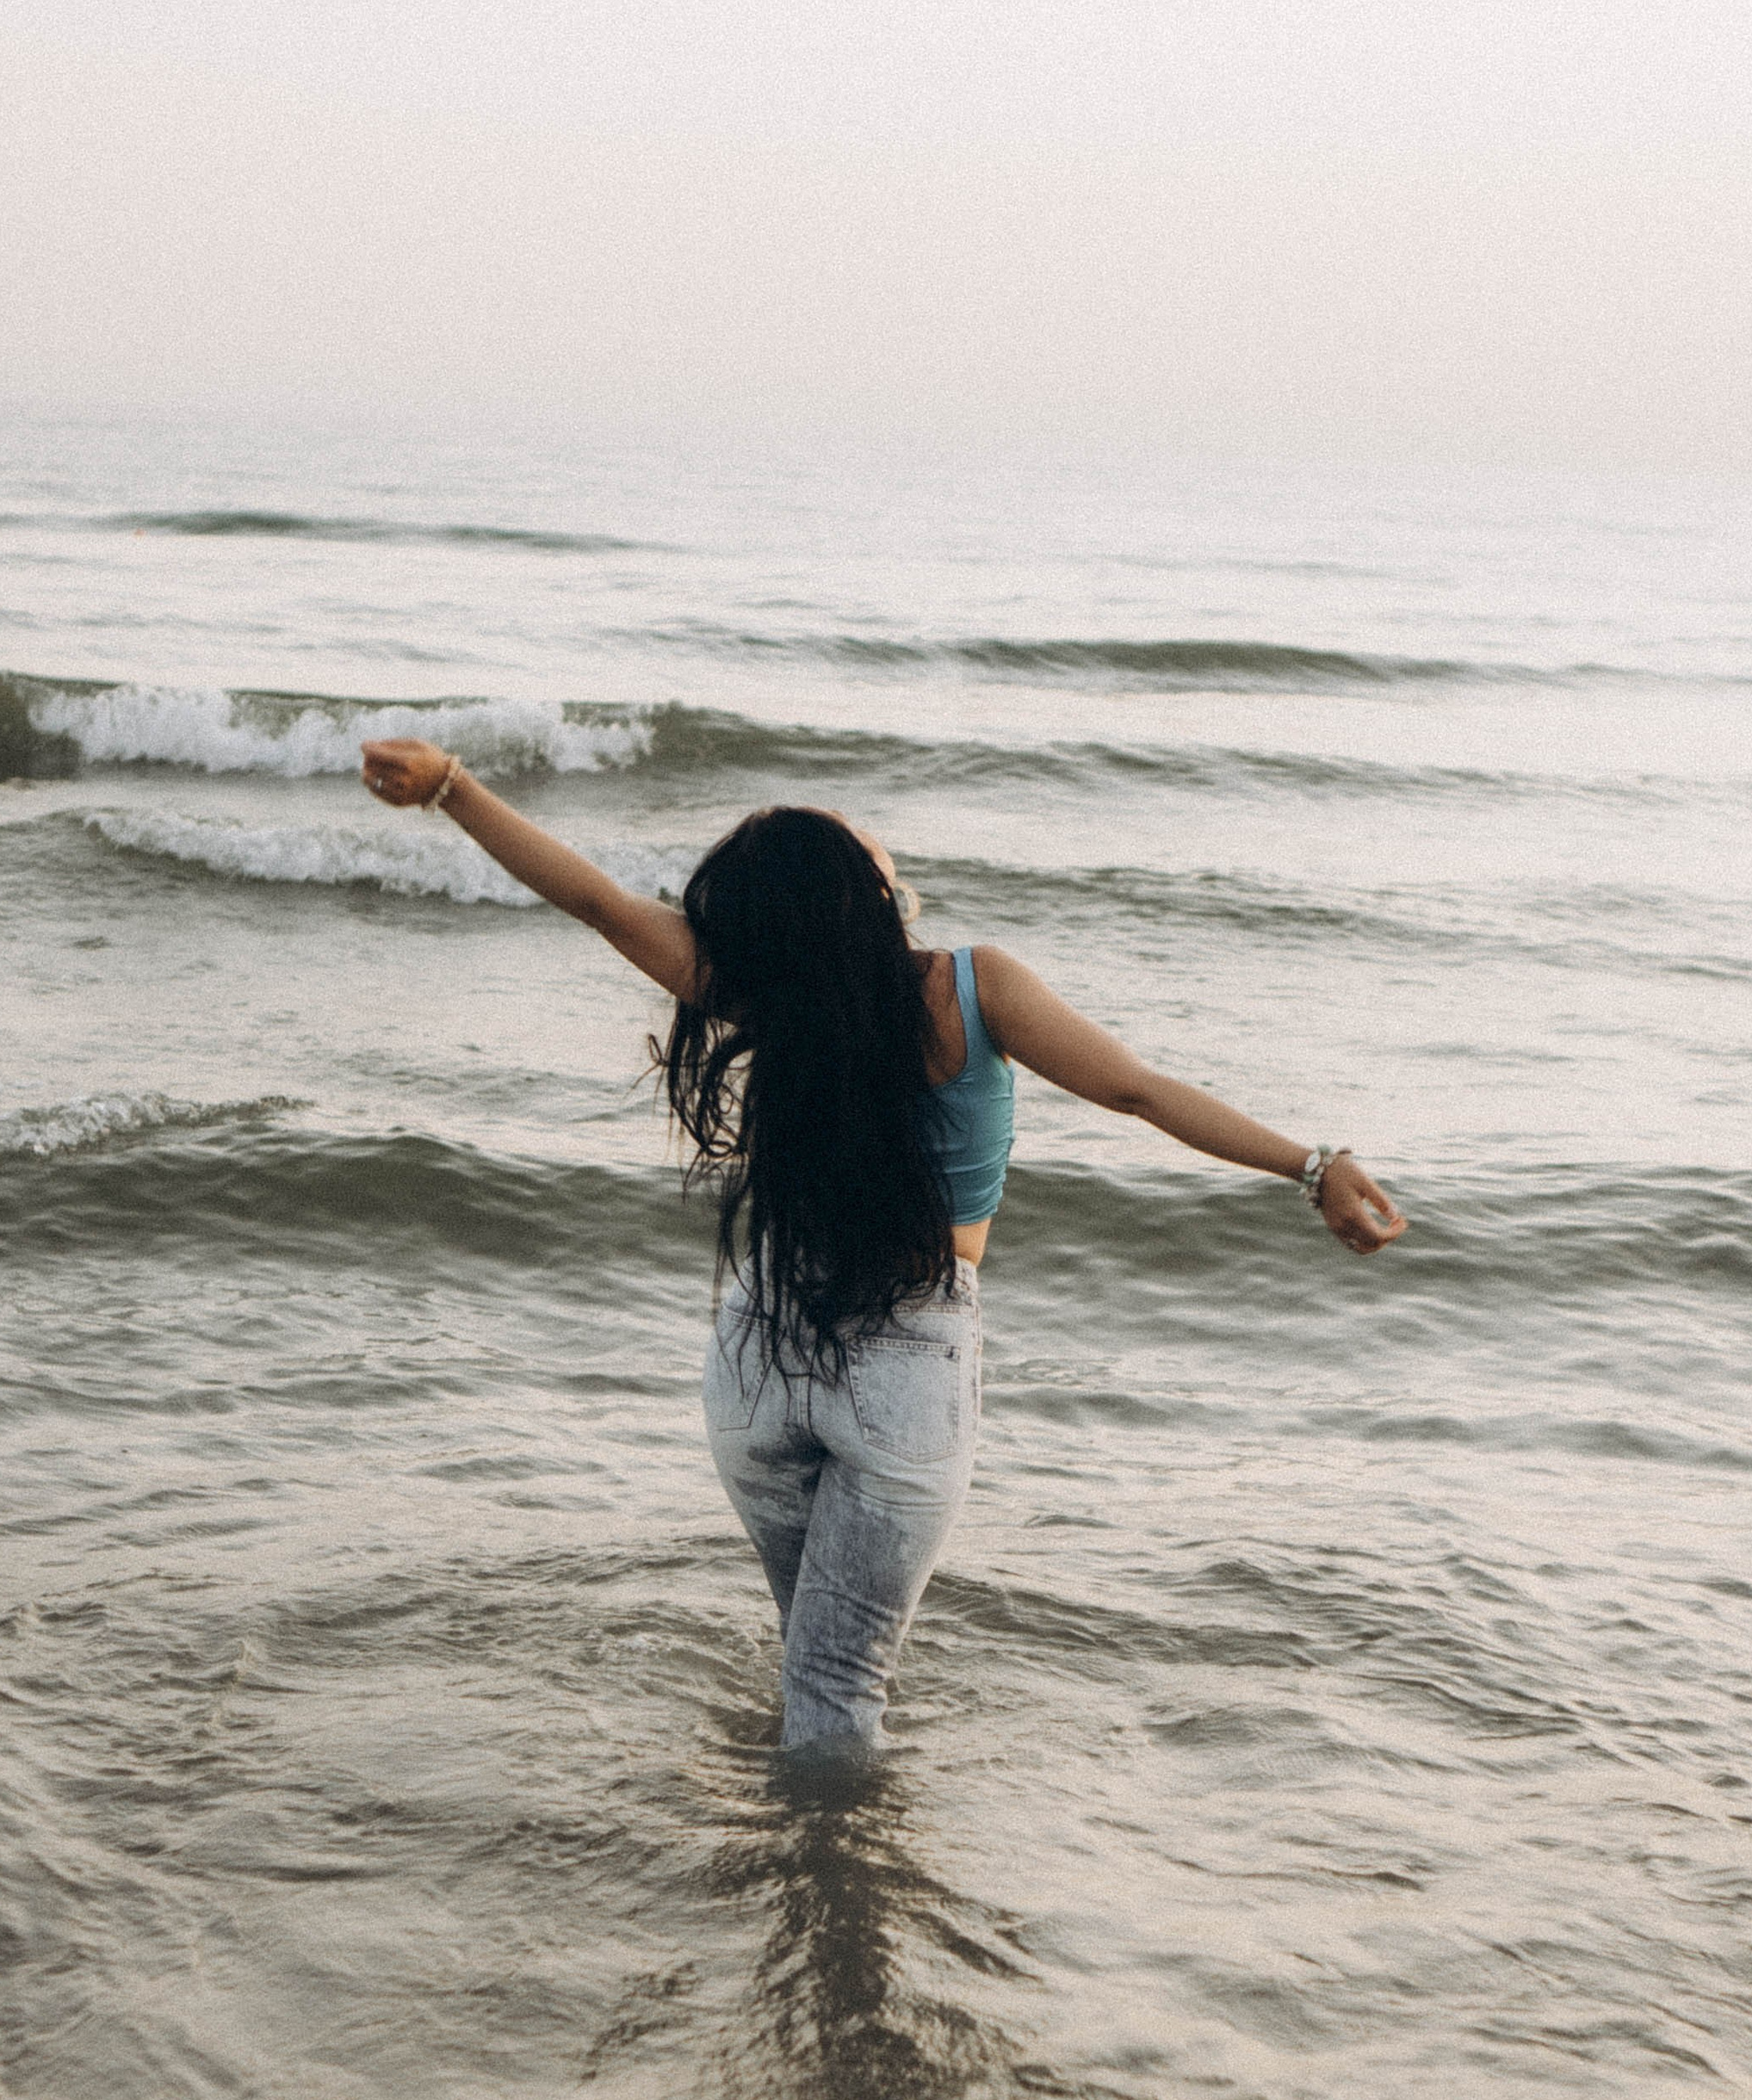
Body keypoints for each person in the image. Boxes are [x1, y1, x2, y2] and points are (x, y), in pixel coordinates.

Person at [362, 739, 1406, 1753]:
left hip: (759, 1350)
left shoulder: (760, 993)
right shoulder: (976, 986)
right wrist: (1309, 1168)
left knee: (810, 1657)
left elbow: (594, 900)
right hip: (908, 1355)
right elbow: (1136, 1090)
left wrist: (454, 786)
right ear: (862, 892)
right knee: (838, 1683)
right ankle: (838, 1908)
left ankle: (789, 1867)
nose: (879, 844)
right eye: (863, 844)